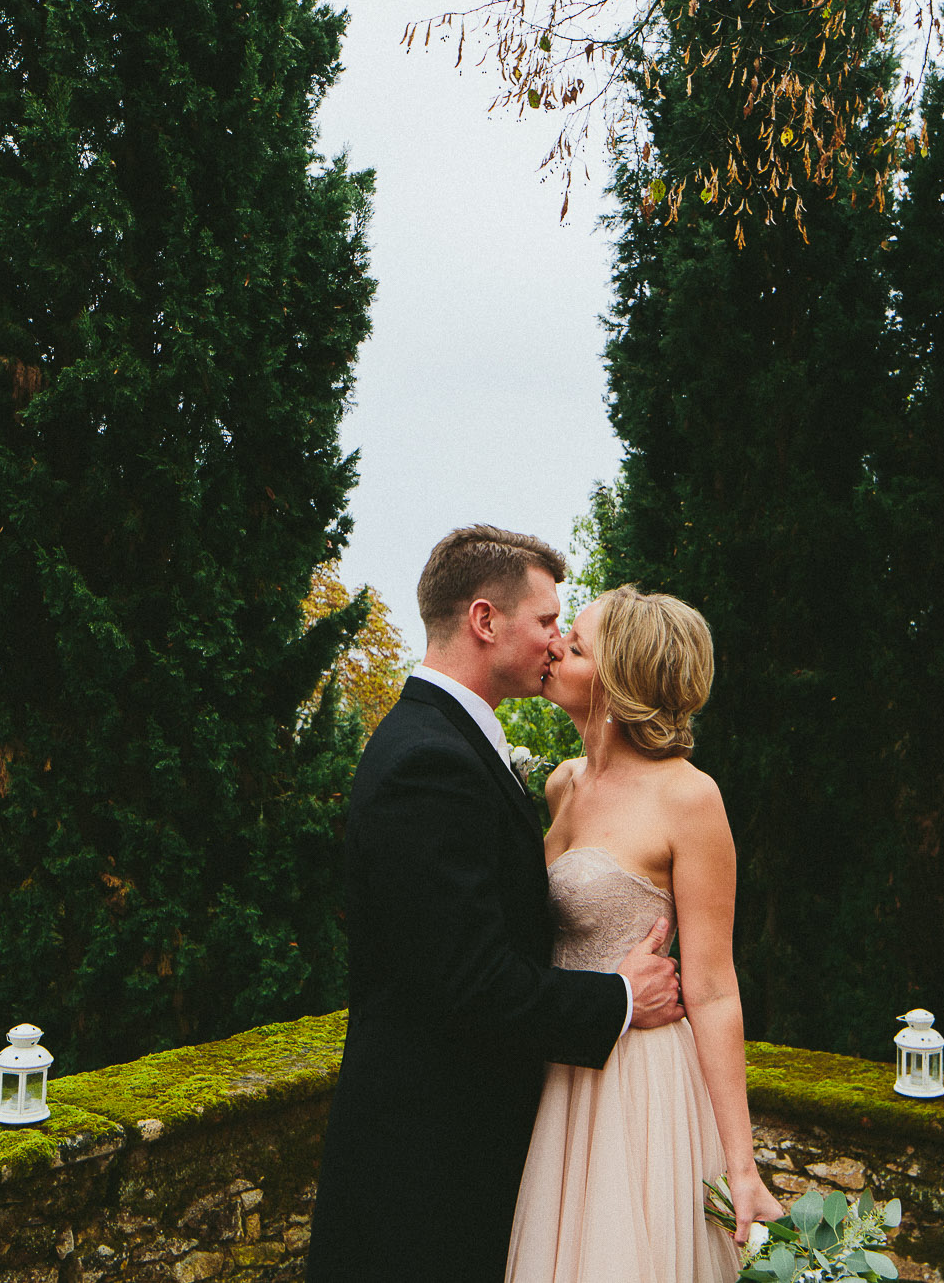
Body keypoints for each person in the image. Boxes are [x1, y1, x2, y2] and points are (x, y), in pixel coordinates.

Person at [308, 528, 688, 1283]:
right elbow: (474, 982)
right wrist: (618, 996)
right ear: (486, 620)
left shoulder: (451, 742)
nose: (557, 641)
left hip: (463, 1150)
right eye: (548, 621)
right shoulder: (429, 761)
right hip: (424, 1174)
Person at [506, 584, 785, 1283]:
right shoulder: (562, 784)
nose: (553, 648)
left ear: (618, 681)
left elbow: (715, 988)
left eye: (572, 645)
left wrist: (741, 1165)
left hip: (637, 1085)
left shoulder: (688, 797)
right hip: (560, 1068)